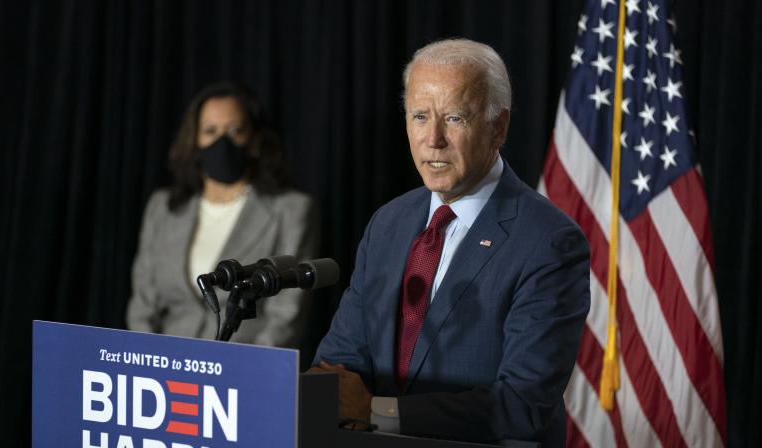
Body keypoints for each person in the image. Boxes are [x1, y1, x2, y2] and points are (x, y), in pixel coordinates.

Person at [311, 39, 590, 446]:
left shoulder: (548, 241)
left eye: (455, 118)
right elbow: (340, 362)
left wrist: (376, 413)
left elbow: (522, 405)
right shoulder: (388, 223)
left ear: (499, 126)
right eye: (420, 116)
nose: (433, 138)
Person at [126, 82, 318, 347]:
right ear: (194, 140)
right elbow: (142, 306)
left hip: (245, 368)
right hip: (166, 366)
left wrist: (244, 372)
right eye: (210, 131)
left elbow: (286, 315)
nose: (222, 141)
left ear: (253, 139)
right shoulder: (163, 207)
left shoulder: (291, 210)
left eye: (235, 130)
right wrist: (145, 361)